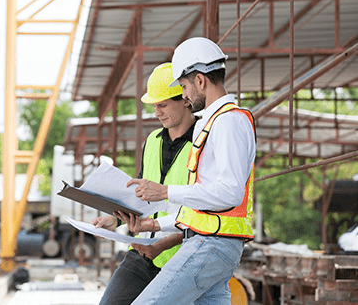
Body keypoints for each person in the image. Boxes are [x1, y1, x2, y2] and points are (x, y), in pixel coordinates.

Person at [119, 37, 256, 305]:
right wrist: (157, 224)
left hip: (211, 245)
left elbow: (229, 193)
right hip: (213, 241)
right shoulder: (216, 122)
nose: (184, 95)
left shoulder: (228, 121)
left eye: (183, 86)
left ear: (200, 81)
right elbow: (207, 204)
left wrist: (165, 192)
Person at [91, 62, 197, 305]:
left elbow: (205, 208)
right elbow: (140, 197)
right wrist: (116, 219)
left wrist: (163, 243)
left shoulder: (203, 143)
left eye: (162, 105)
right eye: (154, 106)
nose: (157, 112)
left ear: (184, 98)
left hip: (180, 256)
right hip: (140, 252)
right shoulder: (152, 141)